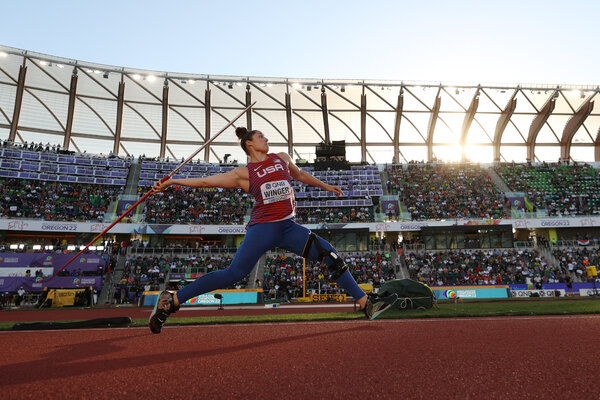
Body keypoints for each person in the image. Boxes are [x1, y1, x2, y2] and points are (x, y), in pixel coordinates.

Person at [148, 127, 398, 333]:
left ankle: (367, 304)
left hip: (288, 227)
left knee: (329, 255)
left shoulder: (282, 158)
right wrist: (171, 181)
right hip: (262, 229)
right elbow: (204, 181)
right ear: (249, 144)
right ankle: (172, 300)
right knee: (233, 273)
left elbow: (300, 175)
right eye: (260, 137)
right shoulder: (243, 174)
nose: (266, 138)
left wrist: (327, 186)